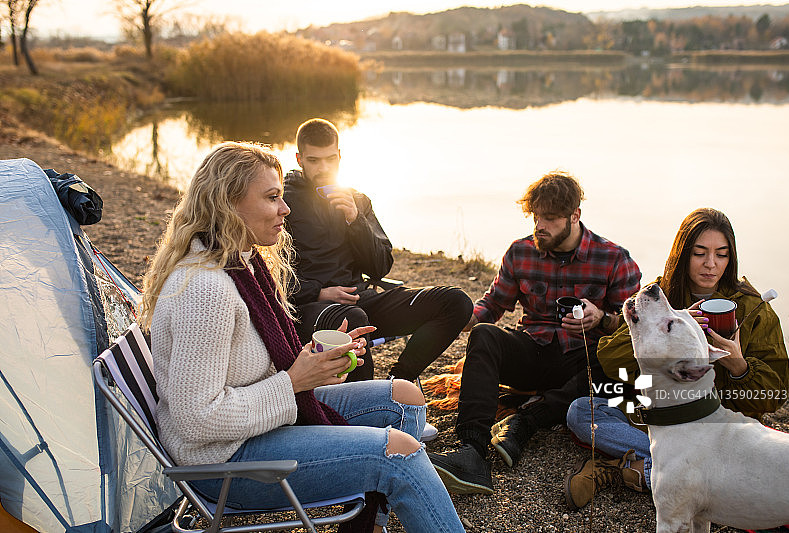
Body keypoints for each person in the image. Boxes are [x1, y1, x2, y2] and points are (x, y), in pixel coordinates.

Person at [139, 141, 466, 533]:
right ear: (228, 202)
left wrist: (317, 362)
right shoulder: (207, 290)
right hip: (222, 462)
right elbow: (197, 419)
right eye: (272, 198)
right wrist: (295, 380)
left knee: (405, 400)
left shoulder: (240, 261)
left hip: (253, 425)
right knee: (401, 453)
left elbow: (250, 364)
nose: (285, 209)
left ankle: (364, 526)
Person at [427, 171, 642, 494]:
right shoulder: (520, 251)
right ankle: (472, 452)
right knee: (484, 334)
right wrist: (460, 319)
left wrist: (601, 319)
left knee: (613, 366)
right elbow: (495, 303)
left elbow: (634, 328)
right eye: (536, 217)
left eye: (551, 219)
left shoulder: (614, 259)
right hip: (532, 351)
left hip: (580, 364)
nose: (540, 226)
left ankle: (525, 422)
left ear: (575, 216)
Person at [563, 207, 789, 510]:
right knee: (582, 411)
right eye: (699, 253)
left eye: (721, 255)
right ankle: (678, 470)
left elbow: (773, 396)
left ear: (731, 258)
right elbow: (609, 357)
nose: (711, 265)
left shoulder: (753, 308)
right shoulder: (660, 297)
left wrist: (738, 366)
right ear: (683, 254)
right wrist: (668, 329)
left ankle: (626, 470)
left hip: (723, 433)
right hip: (662, 423)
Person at [283, 118, 473, 385]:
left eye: (330, 159)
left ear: (340, 156)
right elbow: (269, 272)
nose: (323, 168)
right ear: (299, 158)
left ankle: (400, 379)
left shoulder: (357, 200)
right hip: (310, 308)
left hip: (360, 299)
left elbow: (381, 266)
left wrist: (355, 220)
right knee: (353, 320)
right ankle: (367, 411)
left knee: (456, 302)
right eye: (314, 160)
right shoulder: (282, 201)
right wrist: (317, 291)